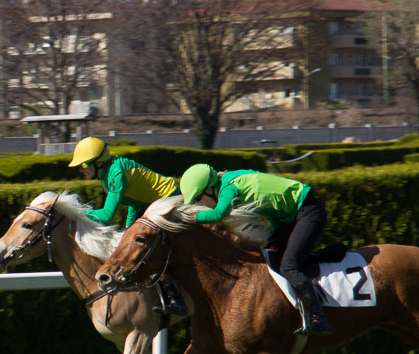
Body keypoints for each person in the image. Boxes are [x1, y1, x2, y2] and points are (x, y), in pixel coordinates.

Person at [179, 163, 332, 334]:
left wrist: (190, 218)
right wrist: (276, 237)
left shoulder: (229, 188)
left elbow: (219, 214)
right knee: (271, 253)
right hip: (292, 217)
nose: (200, 204)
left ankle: (318, 319)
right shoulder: (232, 177)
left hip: (308, 212)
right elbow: (271, 206)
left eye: (198, 199)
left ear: (209, 189)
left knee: (288, 267)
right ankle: (327, 255)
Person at [68, 137, 187, 315]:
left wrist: (76, 212)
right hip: (149, 204)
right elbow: (134, 200)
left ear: (98, 162)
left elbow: (107, 215)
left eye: (84, 165)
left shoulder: (116, 174)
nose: (81, 170)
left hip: (167, 199)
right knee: (130, 242)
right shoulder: (107, 173)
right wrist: (129, 229)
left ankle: (176, 300)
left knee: (152, 249)